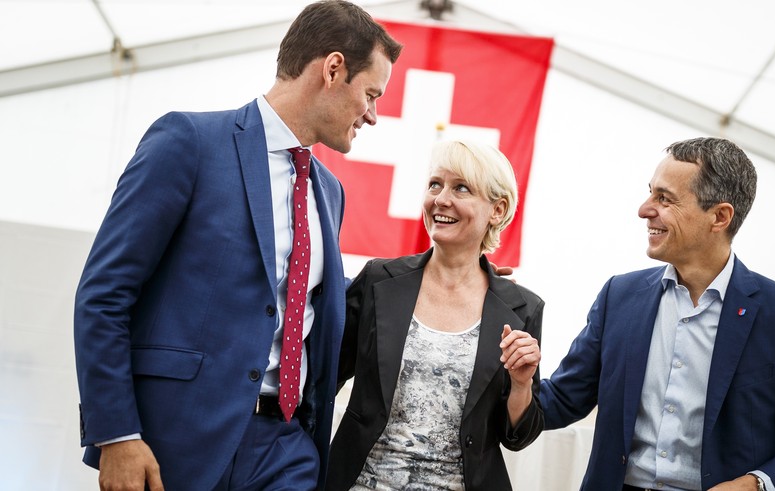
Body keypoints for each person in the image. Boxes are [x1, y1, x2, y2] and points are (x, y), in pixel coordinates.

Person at [73, 1, 402, 489]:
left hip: (288, 449)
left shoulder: (330, 192)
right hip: (177, 444)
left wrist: (447, 274)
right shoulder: (188, 142)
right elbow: (104, 294)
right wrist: (116, 434)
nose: (372, 115)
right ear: (333, 69)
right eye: (371, 94)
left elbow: (311, 305)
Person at [539, 137, 775, 491]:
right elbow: (559, 401)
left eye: (665, 199)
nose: (644, 209)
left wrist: (754, 485)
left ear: (719, 216)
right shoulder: (619, 296)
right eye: (650, 193)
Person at [326, 140, 544, 491]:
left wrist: (521, 385)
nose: (441, 199)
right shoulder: (378, 281)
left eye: (461, 188)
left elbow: (516, 436)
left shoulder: (522, 308)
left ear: (498, 210)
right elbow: (324, 376)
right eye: (435, 184)